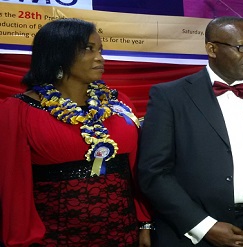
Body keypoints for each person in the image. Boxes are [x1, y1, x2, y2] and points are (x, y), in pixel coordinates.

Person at [137, 16, 243, 247]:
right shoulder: (170, 97)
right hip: (191, 235)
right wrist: (204, 226)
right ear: (212, 48)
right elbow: (153, 173)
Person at [0, 18, 152, 246]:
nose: (100, 58)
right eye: (88, 49)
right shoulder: (19, 110)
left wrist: (145, 223)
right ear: (58, 54)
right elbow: (13, 186)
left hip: (123, 233)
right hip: (56, 238)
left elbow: (136, 169)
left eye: (100, 50)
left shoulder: (119, 103)